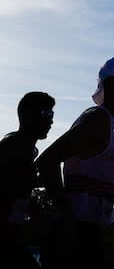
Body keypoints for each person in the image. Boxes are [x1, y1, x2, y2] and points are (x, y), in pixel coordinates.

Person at [35, 57, 114, 269]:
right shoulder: (97, 121)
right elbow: (47, 161)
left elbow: (93, 191)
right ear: (113, 83)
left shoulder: (110, 127)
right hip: (74, 236)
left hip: (87, 232)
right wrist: (68, 218)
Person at [0, 91, 55, 269]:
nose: (51, 120)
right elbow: (11, 188)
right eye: (47, 114)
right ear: (29, 116)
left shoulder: (28, 149)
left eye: (52, 115)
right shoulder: (15, 146)